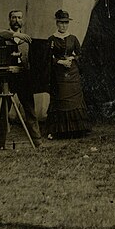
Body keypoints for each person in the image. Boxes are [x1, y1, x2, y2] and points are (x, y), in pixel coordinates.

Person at [0, 9, 42, 148]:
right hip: (7, 79)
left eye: (19, 17)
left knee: (30, 110)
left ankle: (37, 142)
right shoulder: (3, 36)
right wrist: (15, 34)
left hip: (24, 79)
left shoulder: (27, 40)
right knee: (3, 111)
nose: (16, 20)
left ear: (22, 20)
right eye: (14, 17)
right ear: (9, 20)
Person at [46, 9, 91, 139]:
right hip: (59, 74)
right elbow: (47, 58)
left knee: (75, 99)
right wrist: (60, 61)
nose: (63, 25)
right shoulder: (51, 39)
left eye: (66, 23)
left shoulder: (73, 38)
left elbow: (80, 54)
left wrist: (72, 59)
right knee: (61, 98)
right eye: (61, 23)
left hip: (73, 73)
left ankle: (77, 129)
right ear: (57, 23)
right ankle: (58, 131)